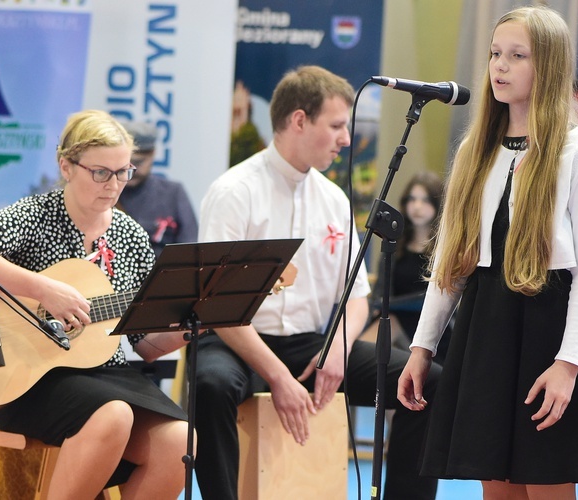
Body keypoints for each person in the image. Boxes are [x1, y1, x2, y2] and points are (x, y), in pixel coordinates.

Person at [397, 6, 578, 499]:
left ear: (547, 66)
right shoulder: (476, 150)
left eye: (517, 56)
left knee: (548, 481)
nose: (500, 66)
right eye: (494, 54)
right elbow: (451, 266)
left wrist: (568, 364)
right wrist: (421, 349)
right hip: (485, 330)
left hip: (549, 331)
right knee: (496, 486)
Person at [194, 65, 440, 500]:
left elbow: (358, 297)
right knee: (211, 385)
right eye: (337, 125)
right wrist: (278, 376)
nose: (347, 139)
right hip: (238, 341)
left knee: (427, 382)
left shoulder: (334, 199)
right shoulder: (234, 191)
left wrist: (339, 352)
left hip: (312, 346)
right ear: (299, 121)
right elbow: (217, 307)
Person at [0, 109, 193, 499]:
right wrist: (43, 290)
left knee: (179, 441)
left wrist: (186, 328)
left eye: (123, 171)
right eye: (101, 172)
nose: (114, 184)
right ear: (67, 165)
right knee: (113, 414)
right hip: (26, 375)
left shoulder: (130, 235)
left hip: (106, 375)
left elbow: (144, 342)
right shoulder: (37, 215)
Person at [369, 171, 451, 365]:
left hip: (435, 326)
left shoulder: (445, 248)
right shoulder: (395, 245)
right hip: (393, 318)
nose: (417, 207)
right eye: (412, 199)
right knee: (386, 320)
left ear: (437, 204)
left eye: (425, 200)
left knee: (392, 319)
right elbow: (381, 291)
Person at [116, 121, 198, 257]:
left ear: (153, 154)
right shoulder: (107, 192)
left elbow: (191, 251)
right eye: (128, 162)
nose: (133, 169)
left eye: (139, 162)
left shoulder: (173, 194)